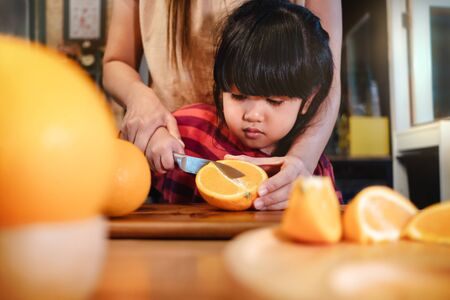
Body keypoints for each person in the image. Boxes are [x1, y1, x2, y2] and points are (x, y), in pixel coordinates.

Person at [103, 0, 342, 210]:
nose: (254, 115)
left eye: (274, 101)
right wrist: (150, 137)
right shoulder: (187, 131)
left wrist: (302, 162)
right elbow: (115, 171)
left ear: (308, 100)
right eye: (238, 96)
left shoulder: (314, 171)